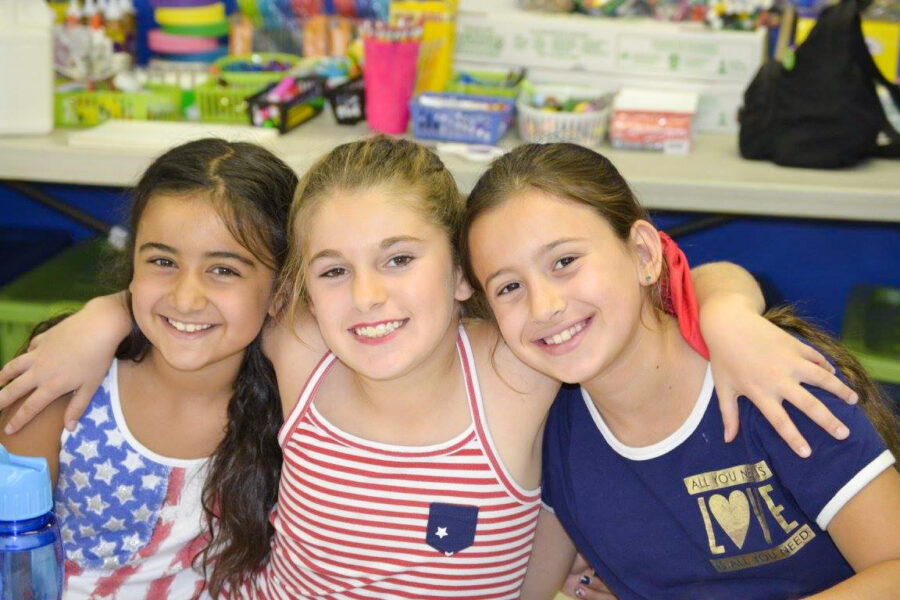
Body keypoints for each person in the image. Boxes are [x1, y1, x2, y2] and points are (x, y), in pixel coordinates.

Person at [0, 137, 859, 599]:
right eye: (333, 270)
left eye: (399, 259)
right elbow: (200, 296)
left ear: (460, 277)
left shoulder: (518, 366)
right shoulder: (305, 348)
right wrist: (103, 316)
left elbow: (651, 279)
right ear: (303, 286)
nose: (366, 297)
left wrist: (731, 312)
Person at [460, 142, 900, 599]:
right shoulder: (552, 430)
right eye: (509, 286)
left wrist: (727, 305)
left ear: (645, 254)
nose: (545, 306)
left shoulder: (768, 377)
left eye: (565, 262)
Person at [0, 138, 296, 598]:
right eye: (162, 261)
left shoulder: (295, 400)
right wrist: (112, 310)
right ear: (132, 263)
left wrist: (111, 309)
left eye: (223, 270)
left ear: (281, 286)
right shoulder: (61, 386)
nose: (185, 297)